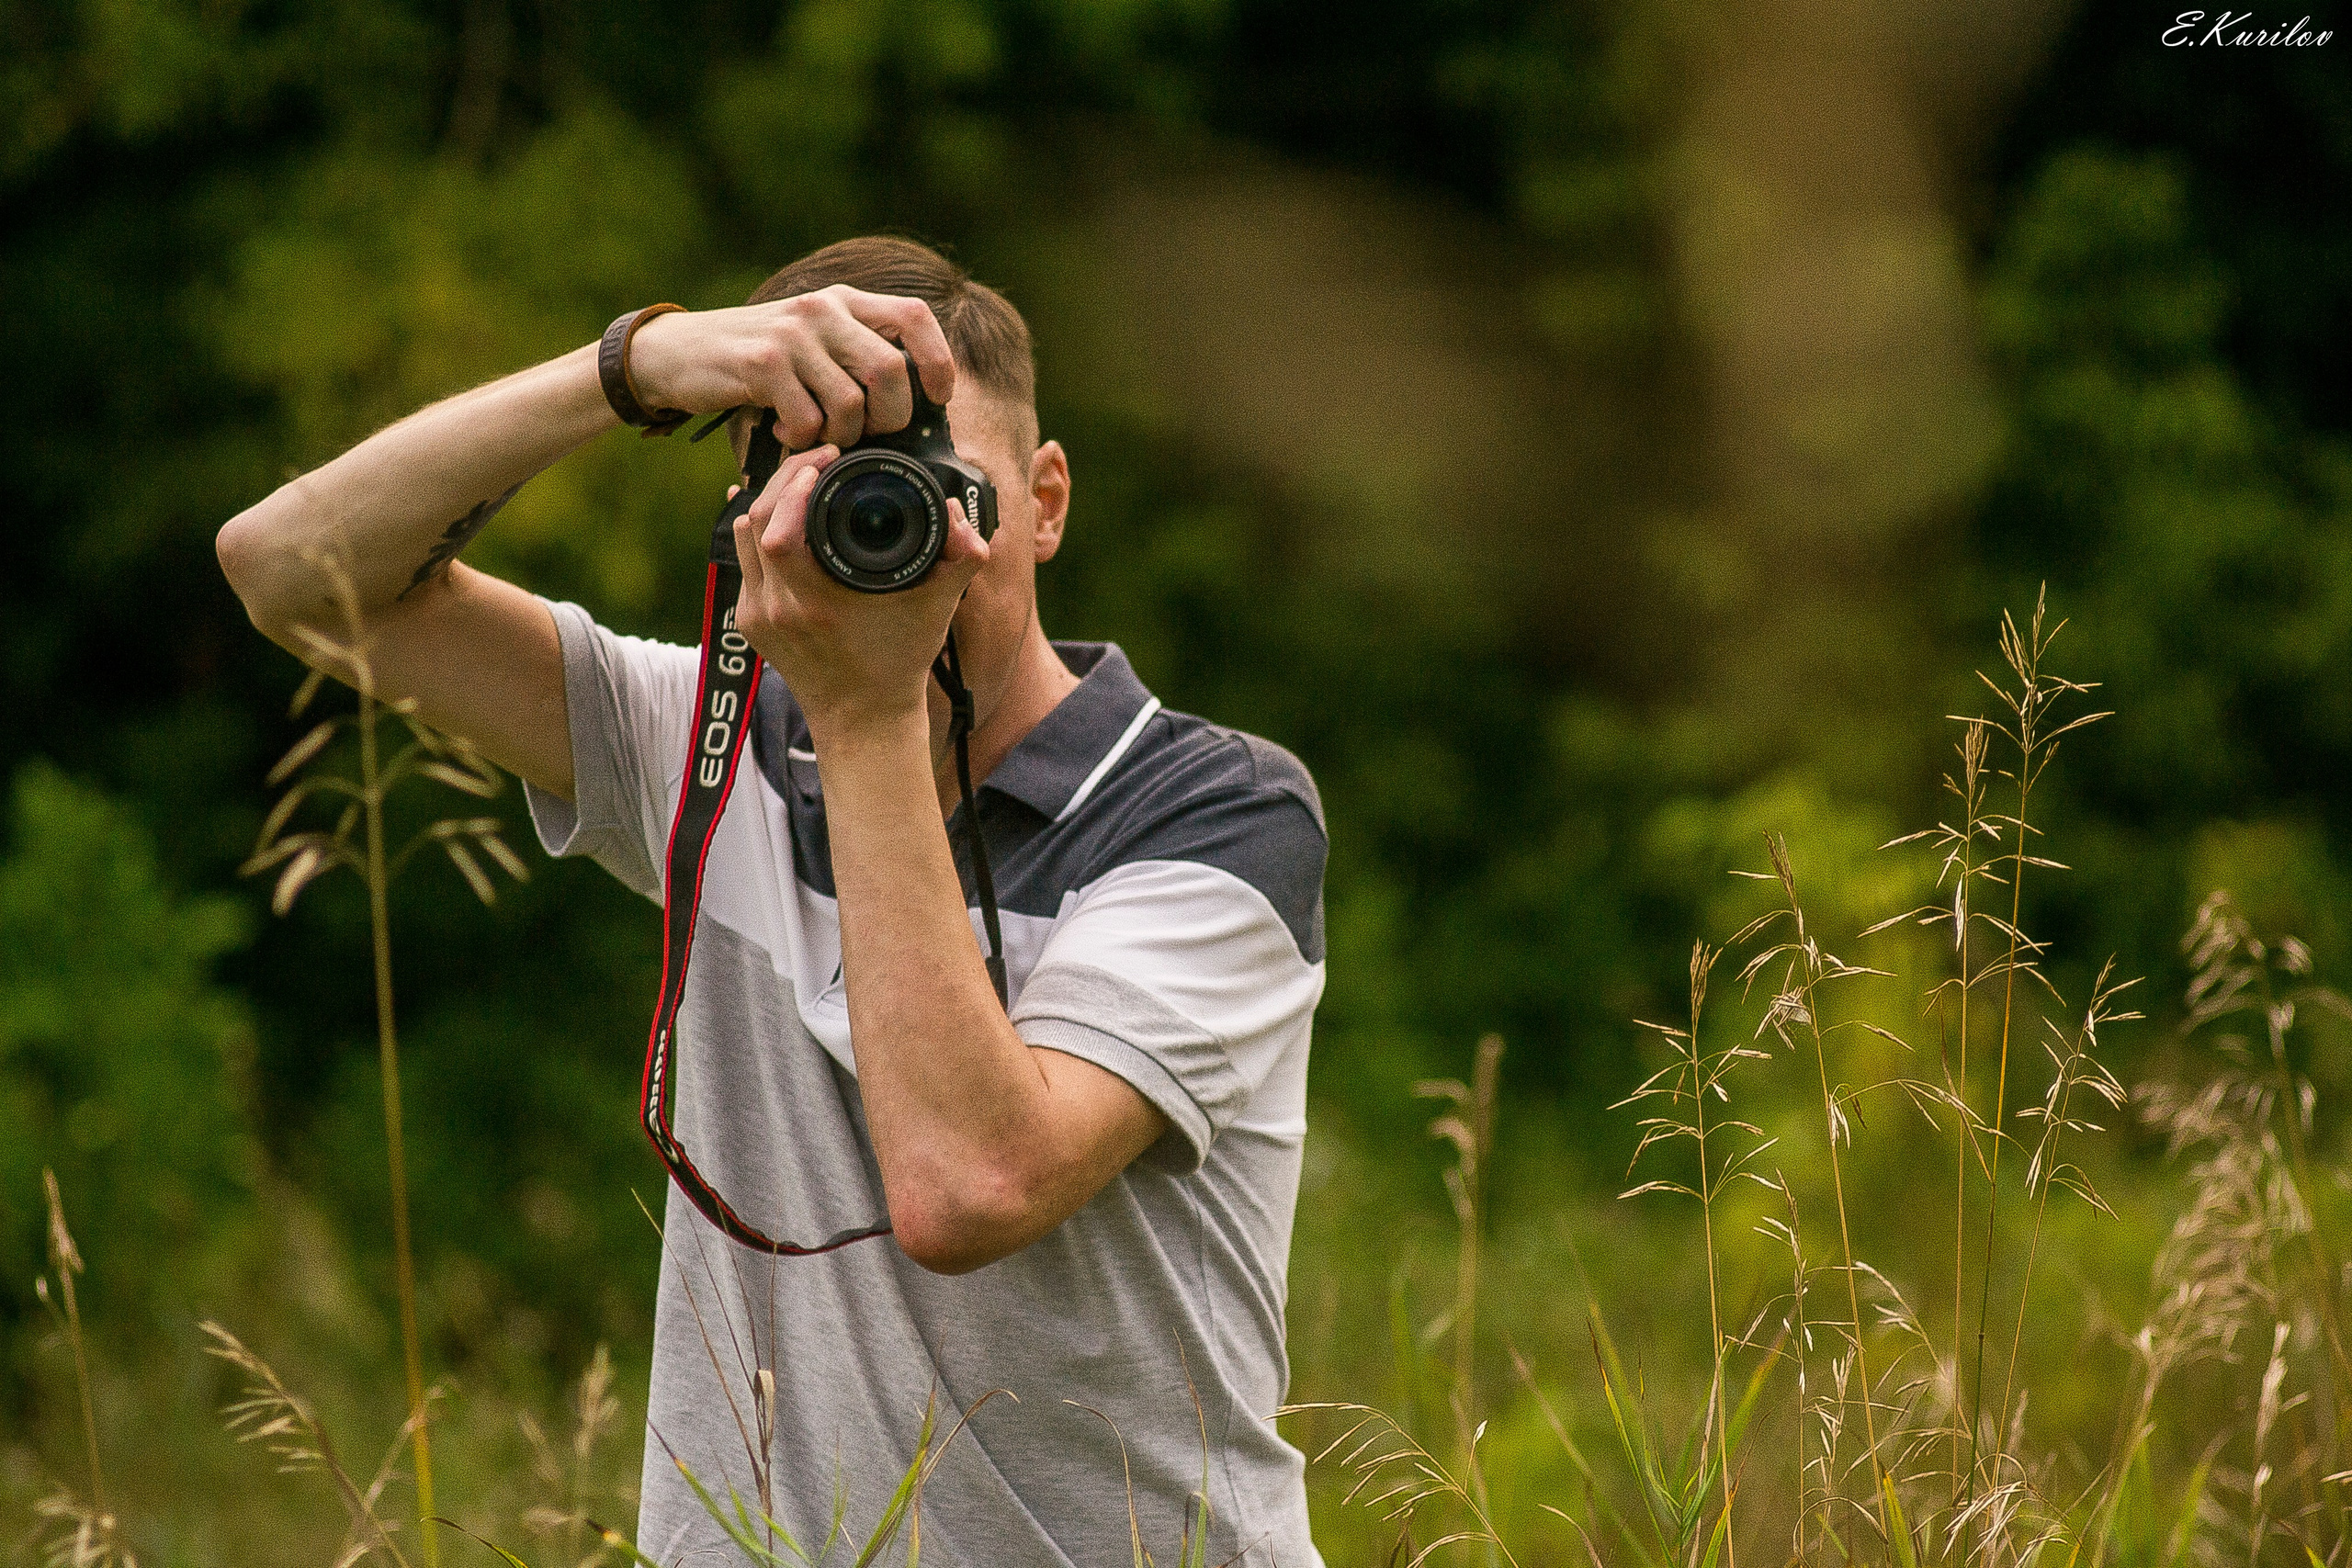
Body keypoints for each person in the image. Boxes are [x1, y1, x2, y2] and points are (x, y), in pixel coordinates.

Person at [216, 235, 1329, 1566]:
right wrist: (630, 368)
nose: (891, 528)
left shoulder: (1214, 814)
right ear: (752, 516)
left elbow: (966, 1189)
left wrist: (866, 715)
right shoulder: (709, 742)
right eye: (826, 482)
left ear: (1043, 502)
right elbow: (286, 570)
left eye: (935, 483)